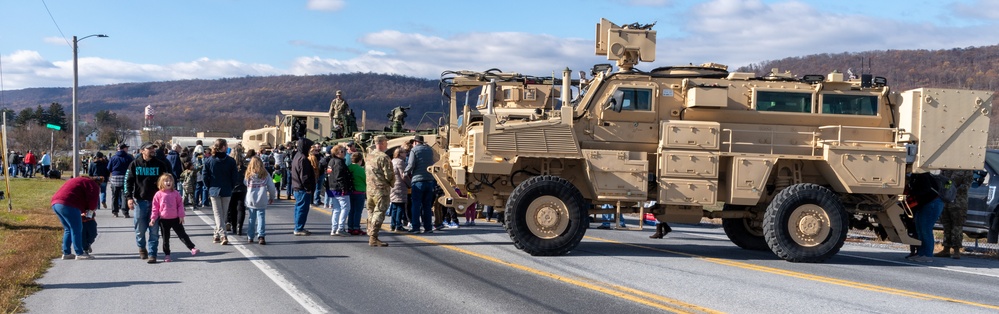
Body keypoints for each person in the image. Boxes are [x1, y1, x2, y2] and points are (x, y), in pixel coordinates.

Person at [125, 142, 171, 264]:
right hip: (140, 201)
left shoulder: (160, 164)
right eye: (149, 148)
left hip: (157, 202)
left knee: (154, 230)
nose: (152, 150)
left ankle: (152, 254)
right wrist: (129, 198)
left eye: (153, 148)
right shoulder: (135, 164)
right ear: (142, 151)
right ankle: (141, 247)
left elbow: (168, 181)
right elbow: (128, 181)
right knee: (140, 229)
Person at [150, 173, 200, 263]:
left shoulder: (175, 193)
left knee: (182, 235)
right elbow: (155, 208)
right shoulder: (158, 194)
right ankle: (167, 254)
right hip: (164, 220)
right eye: (166, 181)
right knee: (166, 238)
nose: (168, 182)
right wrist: (153, 218)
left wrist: (181, 216)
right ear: (161, 183)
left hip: (175, 219)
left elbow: (180, 205)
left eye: (170, 180)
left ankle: (192, 248)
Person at [51, 176, 100, 260]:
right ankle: (79, 253)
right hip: (68, 204)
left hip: (56, 203)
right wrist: (90, 210)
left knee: (68, 229)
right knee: (76, 228)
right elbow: (92, 203)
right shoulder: (93, 185)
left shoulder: (79, 180)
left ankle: (66, 253)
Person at [203, 139, 239, 245]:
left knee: (219, 214)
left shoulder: (209, 160)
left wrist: (208, 186)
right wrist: (231, 186)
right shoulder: (231, 161)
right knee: (222, 214)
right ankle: (223, 234)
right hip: (227, 189)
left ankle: (216, 234)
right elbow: (234, 177)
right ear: (223, 147)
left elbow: (205, 176)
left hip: (214, 189)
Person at [907, 171, 945, 263]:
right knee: (920, 229)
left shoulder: (922, 175)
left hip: (932, 203)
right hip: (926, 204)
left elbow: (925, 189)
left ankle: (927, 254)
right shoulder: (916, 175)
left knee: (926, 229)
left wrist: (913, 191)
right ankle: (921, 253)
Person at [935, 169, 973, 259]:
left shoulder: (966, 169)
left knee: (957, 227)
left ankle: (956, 250)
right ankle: (946, 249)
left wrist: (952, 188)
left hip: (958, 202)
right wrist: (947, 187)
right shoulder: (947, 167)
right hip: (946, 201)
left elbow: (966, 185)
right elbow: (942, 181)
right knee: (946, 226)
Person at [365, 135, 394, 246]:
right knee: (379, 212)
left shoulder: (369, 156)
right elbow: (389, 174)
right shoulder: (384, 157)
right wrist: (392, 183)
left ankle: (370, 232)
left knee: (371, 211)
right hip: (381, 189)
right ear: (381, 143)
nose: (387, 144)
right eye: (386, 142)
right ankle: (373, 237)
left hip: (370, 189)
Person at [406, 135, 435, 233]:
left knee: (416, 205)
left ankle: (416, 227)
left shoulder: (414, 151)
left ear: (415, 142)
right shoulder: (429, 150)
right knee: (427, 206)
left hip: (418, 181)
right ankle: (428, 227)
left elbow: (411, 164)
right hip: (429, 179)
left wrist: (405, 172)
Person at [245, 156, 277, 244]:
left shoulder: (248, 174)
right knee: (261, 217)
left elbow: (245, 184)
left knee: (251, 218)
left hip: (251, 198)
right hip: (261, 198)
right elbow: (271, 187)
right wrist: (272, 197)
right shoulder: (265, 174)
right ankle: (261, 235)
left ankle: (250, 236)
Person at [290, 137, 317, 236]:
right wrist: (308, 188)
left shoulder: (297, 156)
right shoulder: (303, 159)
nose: (310, 149)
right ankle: (299, 228)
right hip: (302, 188)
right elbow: (304, 176)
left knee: (299, 207)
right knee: (302, 208)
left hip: (297, 187)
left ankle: (298, 226)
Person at [326, 143, 352, 236]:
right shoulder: (339, 162)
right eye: (342, 151)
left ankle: (334, 228)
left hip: (332, 188)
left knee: (336, 209)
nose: (344, 152)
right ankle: (340, 228)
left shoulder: (331, 161)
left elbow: (328, 174)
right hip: (340, 188)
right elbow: (339, 176)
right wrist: (343, 188)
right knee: (345, 208)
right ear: (337, 153)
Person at [226, 146, 248, 235]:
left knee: (232, 208)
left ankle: (234, 226)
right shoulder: (245, 164)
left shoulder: (229, 162)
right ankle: (239, 227)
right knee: (241, 208)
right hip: (242, 188)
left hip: (231, 188)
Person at [108, 143, 134, 217]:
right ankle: (125, 212)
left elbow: (109, 168)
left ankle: (115, 211)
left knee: (115, 196)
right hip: (125, 177)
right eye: (126, 148)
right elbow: (132, 167)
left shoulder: (113, 158)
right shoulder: (129, 157)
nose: (127, 149)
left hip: (115, 177)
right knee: (125, 195)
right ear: (124, 148)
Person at [389, 148, 410, 232]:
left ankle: (392, 224)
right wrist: (409, 184)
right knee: (400, 206)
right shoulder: (400, 162)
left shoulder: (393, 161)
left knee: (394, 206)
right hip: (400, 186)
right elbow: (403, 175)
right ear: (400, 153)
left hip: (393, 186)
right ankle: (398, 225)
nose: (406, 154)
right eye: (404, 152)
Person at [347, 153, 367, 235]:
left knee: (351, 210)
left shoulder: (349, 168)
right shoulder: (360, 169)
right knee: (358, 211)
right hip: (359, 191)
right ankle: (356, 227)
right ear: (360, 160)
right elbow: (366, 180)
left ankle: (350, 227)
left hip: (350, 192)